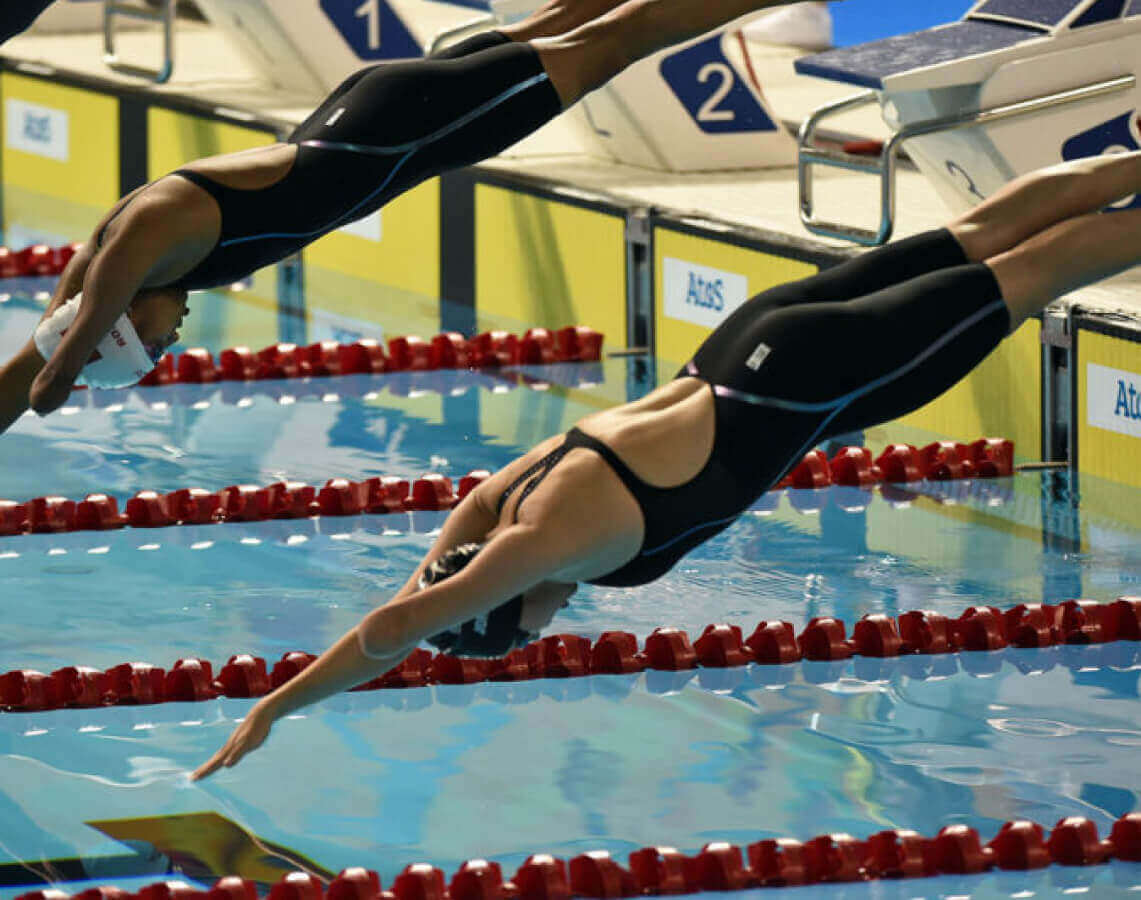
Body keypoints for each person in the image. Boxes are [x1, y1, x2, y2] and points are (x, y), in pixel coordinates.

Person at [193, 149, 1141, 781]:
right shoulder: (500, 499)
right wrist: (437, 595)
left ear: (501, 596)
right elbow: (428, 582)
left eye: (516, 631)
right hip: (741, 346)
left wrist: (278, 707)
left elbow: (399, 622)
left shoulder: (544, 545)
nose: (543, 627)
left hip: (805, 383)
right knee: (975, 240)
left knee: (1030, 274)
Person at [0, 0, 826, 433]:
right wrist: (53, 362)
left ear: (114, 325)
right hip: (390, 116)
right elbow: (49, 345)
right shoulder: (115, 270)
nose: (171, 343)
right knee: (571, 25)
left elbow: (66, 347)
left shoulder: (140, 249)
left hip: (408, 126)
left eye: (147, 346)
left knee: (622, 38)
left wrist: (62, 375)